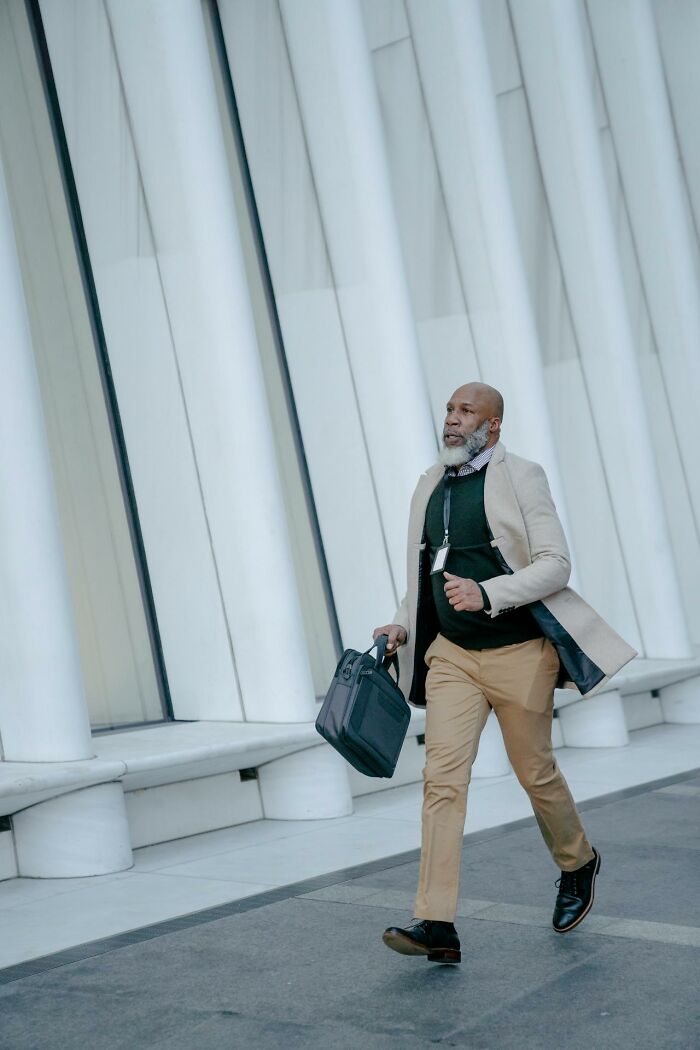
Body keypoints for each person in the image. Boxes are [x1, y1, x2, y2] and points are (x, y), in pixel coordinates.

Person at [373, 382, 637, 964]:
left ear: (492, 426)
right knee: (442, 781)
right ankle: (435, 922)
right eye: (449, 409)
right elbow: (424, 576)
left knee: (534, 772)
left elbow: (555, 565)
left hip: (520, 652)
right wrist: (401, 623)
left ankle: (578, 861)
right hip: (452, 657)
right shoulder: (429, 484)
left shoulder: (522, 476)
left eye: (466, 411)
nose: (452, 419)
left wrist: (488, 593)